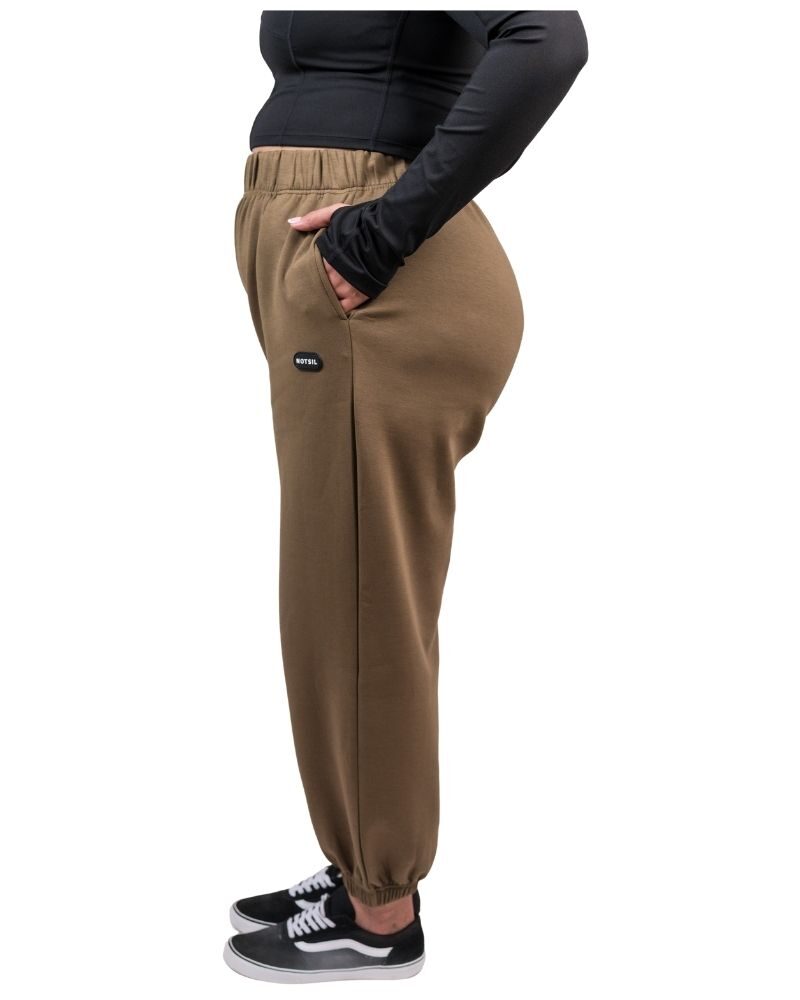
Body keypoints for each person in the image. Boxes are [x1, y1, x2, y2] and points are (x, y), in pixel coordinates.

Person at [225, 10, 588, 983]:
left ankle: (377, 908)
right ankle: (358, 858)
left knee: (355, 599)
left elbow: (547, 39)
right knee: (335, 588)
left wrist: (380, 232)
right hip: (339, 265)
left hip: (384, 282)